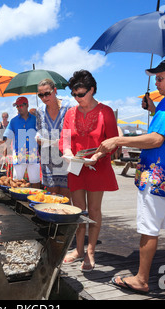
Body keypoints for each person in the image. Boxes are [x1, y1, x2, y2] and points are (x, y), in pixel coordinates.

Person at [98, 58, 165, 298]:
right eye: (155, 78)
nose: (157, 82)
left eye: (161, 78)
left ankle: (141, 279)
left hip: (158, 176)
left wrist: (118, 140)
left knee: (149, 228)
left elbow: (156, 139)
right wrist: (154, 109)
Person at [59, 70, 119, 272]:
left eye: (81, 94)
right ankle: (78, 249)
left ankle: (90, 251)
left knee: (93, 210)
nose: (77, 99)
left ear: (92, 90)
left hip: (97, 166)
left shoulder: (106, 112)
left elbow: (112, 142)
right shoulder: (70, 113)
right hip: (76, 167)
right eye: (74, 95)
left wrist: (97, 156)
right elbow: (65, 140)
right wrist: (67, 152)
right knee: (78, 210)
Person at [35, 78, 71, 198]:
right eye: (41, 95)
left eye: (47, 93)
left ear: (55, 90)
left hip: (65, 157)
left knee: (66, 198)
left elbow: (76, 132)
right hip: (48, 158)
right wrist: (38, 137)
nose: (44, 98)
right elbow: (39, 130)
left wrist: (61, 142)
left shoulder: (69, 107)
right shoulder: (39, 111)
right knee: (52, 197)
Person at [3, 97, 40, 188]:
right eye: (17, 106)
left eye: (21, 105)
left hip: (33, 156)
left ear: (27, 105)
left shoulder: (36, 120)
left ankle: (36, 201)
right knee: (16, 182)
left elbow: (41, 137)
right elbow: (8, 139)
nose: (19, 108)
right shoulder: (13, 121)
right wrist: (4, 155)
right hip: (19, 156)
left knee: (35, 182)